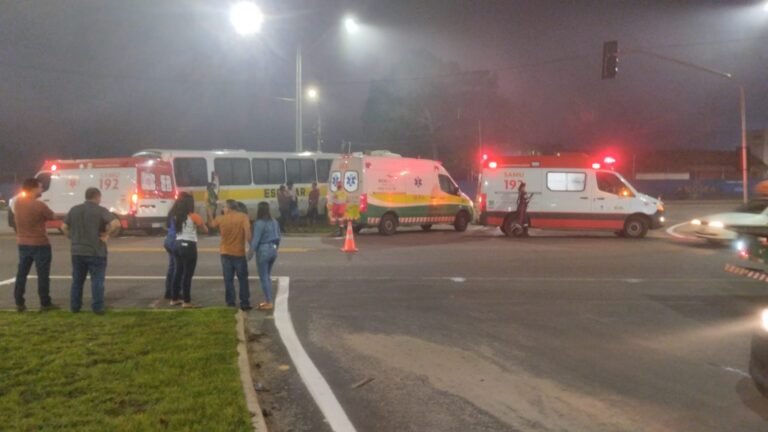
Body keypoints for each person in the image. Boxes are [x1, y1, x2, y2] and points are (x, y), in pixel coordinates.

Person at [62, 187, 121, 314]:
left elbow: (64, 227)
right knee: (97, 281)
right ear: (97, 197)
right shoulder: (100, 210)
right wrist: (107, 234)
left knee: (77, 280)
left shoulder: (74, 210)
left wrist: (72, 237)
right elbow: (116, 223)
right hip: (96, 251)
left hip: (77, 251)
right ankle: (97, 307)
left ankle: (75, 306)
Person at [13, 178, 57, 312]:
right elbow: (52, 216)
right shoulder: (39, 205)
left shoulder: (18, 203)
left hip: (23, 243)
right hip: (40, 243)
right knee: (43, 275)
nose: (42, 189)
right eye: (40, 187)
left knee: (22, 273)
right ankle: (45, 302)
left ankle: (19, 301)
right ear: (32, 189)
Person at [208, 200, 252, 311]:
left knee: (228, 279)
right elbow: (248, 234)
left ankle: (230, 302)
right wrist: (252, 247)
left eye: (224, 207)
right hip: (239, 253)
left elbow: (211, 225)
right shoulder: (243, 217)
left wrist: (210, 212)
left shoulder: (220, 218)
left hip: (225, 252)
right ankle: (245, 302)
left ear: (230, 208)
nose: (223, 209)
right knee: (243, 279)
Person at [170, 193, 208, 308]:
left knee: (177, 272)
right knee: (187, 274)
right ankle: (187, 301)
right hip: (189, 245)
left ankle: (174, 298)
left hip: (177, 244)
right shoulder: (194, 216)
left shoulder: (175, 216)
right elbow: (205, 230)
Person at [248, 201, 281, 311]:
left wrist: (249, 254)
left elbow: (255, 241)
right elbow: (278, 237)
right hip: (273, 249)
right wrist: (276, 248)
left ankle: (268, 301)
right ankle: (268, 299)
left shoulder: (259, 223)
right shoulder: (274, 221)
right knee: (267, 276)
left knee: (264, 277)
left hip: (263, 251)